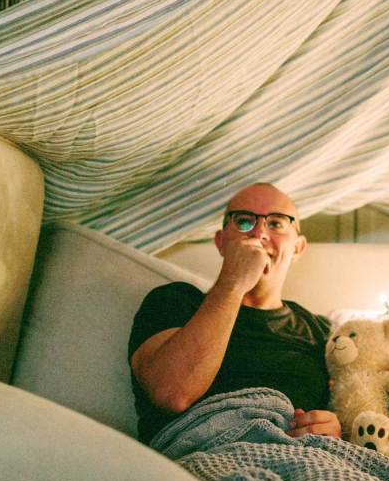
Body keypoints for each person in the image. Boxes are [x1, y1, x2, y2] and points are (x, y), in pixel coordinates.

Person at [128, 182, 341, 445]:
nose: (259, 233)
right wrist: (233, 283)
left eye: (276, 223)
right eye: (243, 222)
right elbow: (172, 393)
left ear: (298, 248)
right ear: (221, 242)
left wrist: (333, 427)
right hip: (206, 455)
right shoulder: (175, 301)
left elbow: (347, 409)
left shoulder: (320, 331)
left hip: (309, 458)